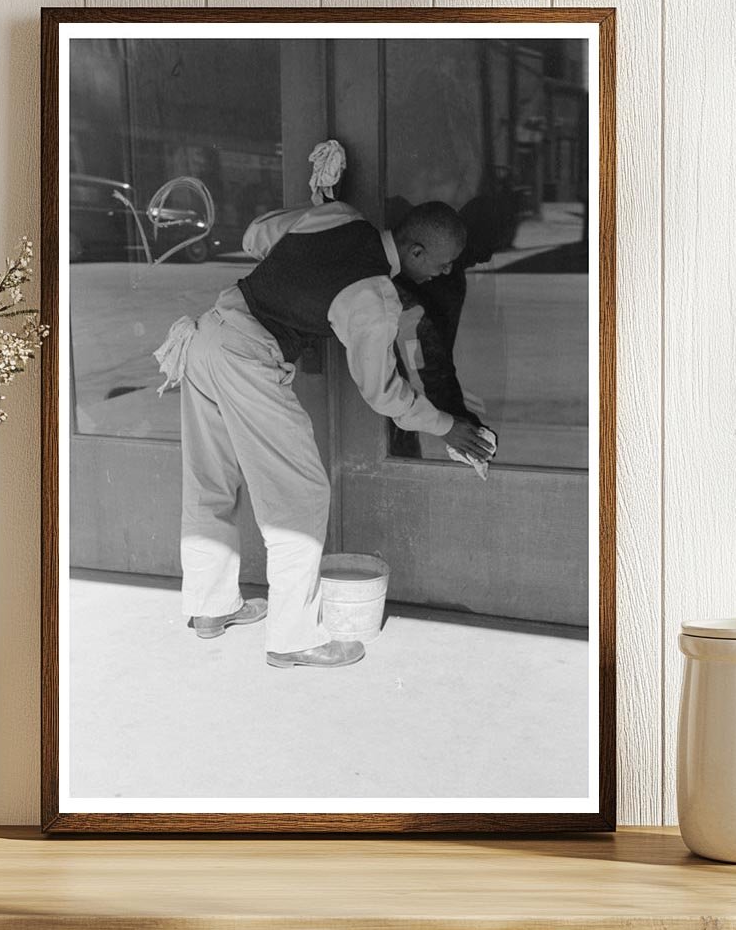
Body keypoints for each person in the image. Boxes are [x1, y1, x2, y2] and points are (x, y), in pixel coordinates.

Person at [170, 201, 496, 669]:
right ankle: (293, 638)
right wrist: (447, 425)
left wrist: (295, 278)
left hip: (206, 338)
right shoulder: (374, 297)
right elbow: (383, 394)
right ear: (416, 251)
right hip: (247, 357)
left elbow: (255, 234)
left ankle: (210, 606)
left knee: (209, 481)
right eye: (443, 265)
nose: (443, 275)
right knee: (298, 496)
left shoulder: (337, 216)